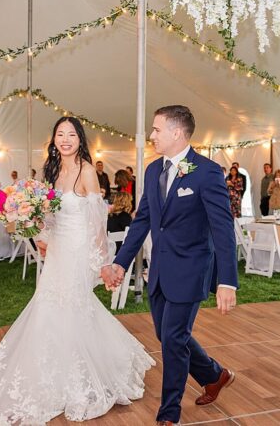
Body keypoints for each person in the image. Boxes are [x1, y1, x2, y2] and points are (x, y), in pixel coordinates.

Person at [0, 116, 154, 424]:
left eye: (71, 134)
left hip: (78, 252)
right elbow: (52, 217)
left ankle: (85, 377)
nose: (65, 139)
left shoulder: (87, 171)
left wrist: (102, 263)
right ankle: (56, 374)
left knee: (73, 307)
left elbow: (97, 223)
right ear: (54, 140)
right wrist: (36, 229)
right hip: (59, 251)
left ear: (80, 139)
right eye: (60, 134)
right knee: (50, 307)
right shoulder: (55, 172)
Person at [105, 105, 238, 426]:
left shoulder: (207, 172)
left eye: (156, 130)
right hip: (160, 271)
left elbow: (223, 229)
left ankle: (169, 415)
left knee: (174, 340)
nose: (151, 135)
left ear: (177, 133)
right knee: (168, 336)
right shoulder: (152, 171)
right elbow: (144, 221)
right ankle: (215, 375)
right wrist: (120, 263)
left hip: (192, 270)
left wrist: (227, 281)